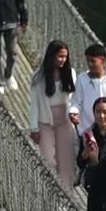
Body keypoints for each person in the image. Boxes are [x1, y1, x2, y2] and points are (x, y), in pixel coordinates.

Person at [28, 40, 77, 188]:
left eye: (65, 56)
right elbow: (34, 105)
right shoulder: (39, 77)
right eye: (60, 56)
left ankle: (66, 194)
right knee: (49, 160)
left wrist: (74, 113)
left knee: (65, 160)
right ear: (51, 56)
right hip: (46, 122)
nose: (63, 60)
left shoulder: (71, 73)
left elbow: (75, 99)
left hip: (65, 121)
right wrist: (34, 129)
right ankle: (53, 191)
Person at [76, 96, 106, 181]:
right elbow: (80, 163)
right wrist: (86, 152)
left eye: (105, 112)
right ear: (94, 113)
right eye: (98, 112)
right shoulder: (87, 134)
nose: (101, 116)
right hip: (94, 178)